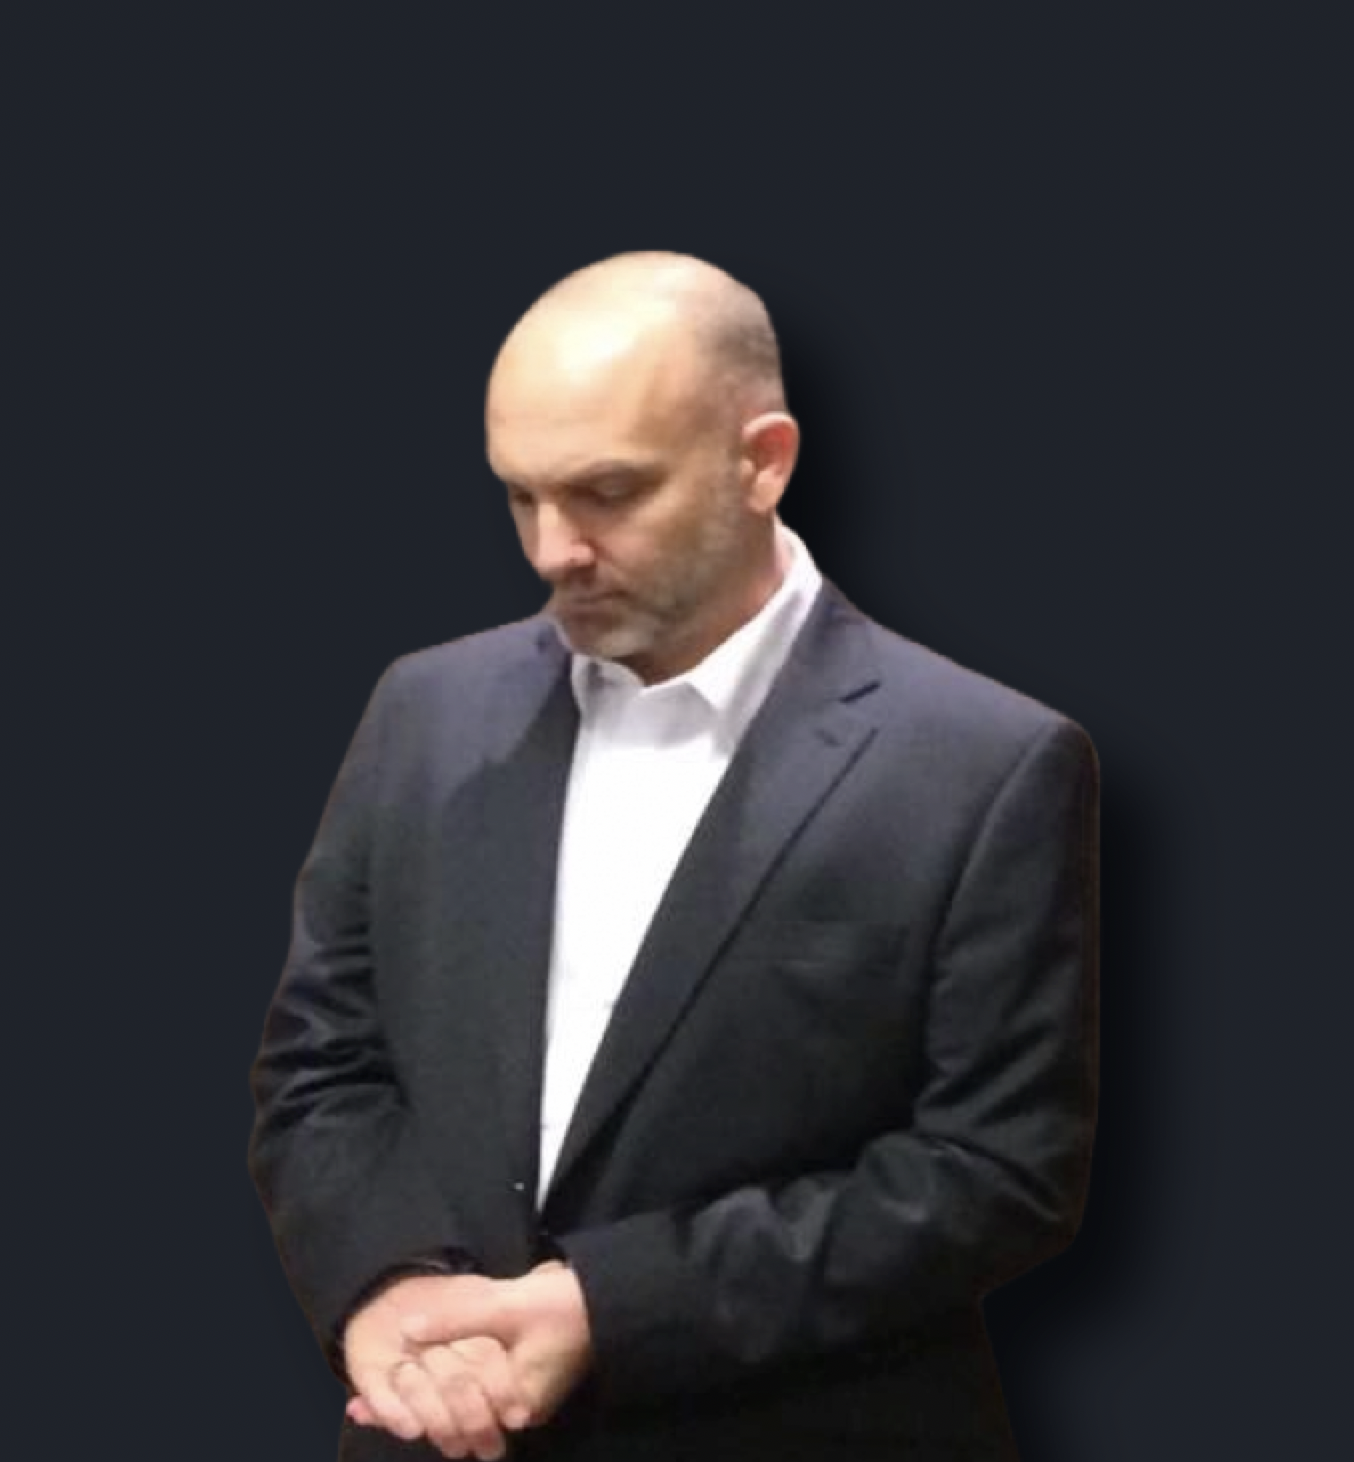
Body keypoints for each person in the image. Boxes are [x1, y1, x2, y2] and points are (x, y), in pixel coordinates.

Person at [249, 251, 1100, 1462]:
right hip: (435, 1437)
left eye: (607, 492)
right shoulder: (424, 710)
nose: (552, 548)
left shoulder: (986, 765)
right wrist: (384, 1284)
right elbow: (320, 1064)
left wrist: (611, 1307)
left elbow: (996, 1172)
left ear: (764, 461)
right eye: (519, 496)